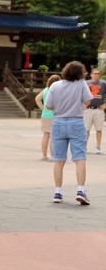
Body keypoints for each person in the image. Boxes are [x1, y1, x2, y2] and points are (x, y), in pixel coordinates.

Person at [44, 61, 93, 204]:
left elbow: (48, 105)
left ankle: (58, 192)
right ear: (79, 72)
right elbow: (88, 100)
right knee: (79, 158)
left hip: (58, 122)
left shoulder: (55, 85)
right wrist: (79, 106)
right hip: (76, 122)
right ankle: (80, 190)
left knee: (59, 160)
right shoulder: (81, 84)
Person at [35, 74, 60, 160]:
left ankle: (44, 155)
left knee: (45, 135)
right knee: (53, 136)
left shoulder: (46, 90)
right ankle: (53, 155)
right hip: (54, 115)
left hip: (45, 115)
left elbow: (37, 99)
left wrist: (43, 108)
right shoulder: (56, 91)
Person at [84, 67, 106, 153]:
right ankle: (84, 146)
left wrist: (105, 105)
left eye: (98, 73)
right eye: (95, 73)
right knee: (86, 130)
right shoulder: (86, 83)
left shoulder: (103, 83)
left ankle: (98, 147)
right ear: (91, 74)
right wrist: (83, 104)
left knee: (99, 129)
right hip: (88, 109)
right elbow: (80, 94)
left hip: (99, 110)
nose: (97, 75)